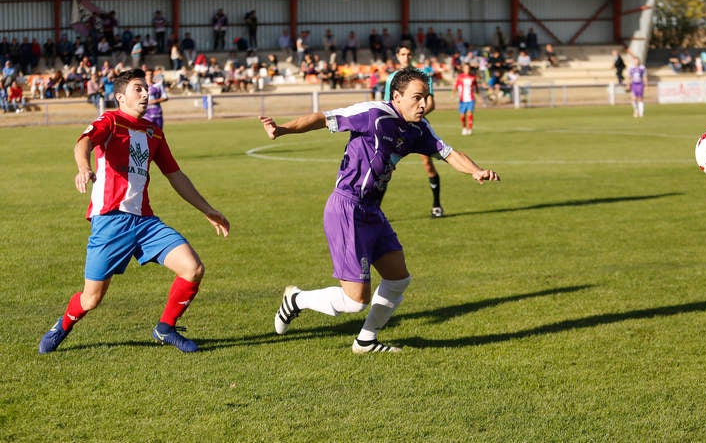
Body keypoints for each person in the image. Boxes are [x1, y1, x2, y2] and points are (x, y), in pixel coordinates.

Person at [260, 67, 499, 353]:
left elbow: (447, 153)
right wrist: (282, 129)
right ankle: (296, 300)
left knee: (398, 278)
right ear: (397, 96)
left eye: (427, 97)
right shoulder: (374, 113)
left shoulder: (418, 129)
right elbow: (323, 119)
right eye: (417, 98)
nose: (424, 104)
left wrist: (476, 171)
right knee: (354, 301)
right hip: (347, 207)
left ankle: (366, 340)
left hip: (372, 210)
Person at [37, 68, 230, 355]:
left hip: (146, 222)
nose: (145, 93)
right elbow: (83, 143)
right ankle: (62, 325)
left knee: (193, 268)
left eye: (146, 88)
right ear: (120, 97)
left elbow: (175, 175)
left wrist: (208, 209)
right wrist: (83, 167)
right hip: (111, 221)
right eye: (138, 88)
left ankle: (165, 328)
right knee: (91, 299)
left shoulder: (154, 131)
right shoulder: (110, 121)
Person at [391, 41, 444, 218]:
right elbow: (388, 105)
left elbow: (431, 103)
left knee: (428, 165)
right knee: (383, 167)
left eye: (409, 54)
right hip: (396, 128)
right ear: (397, 56)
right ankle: (374, 211)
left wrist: (416, 116)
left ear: (412, 55)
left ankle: (437, 205)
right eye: (402, 54)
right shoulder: (392, 79)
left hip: (418, 127)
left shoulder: (423, 75)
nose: (406, 57)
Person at [453, 62, 479, 135]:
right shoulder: (460, 77)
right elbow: (456, 86)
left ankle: (470, 129)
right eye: (466, 68)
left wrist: (478, 93)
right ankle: (464, 128)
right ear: (463, 69)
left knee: (469, 113)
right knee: (462, 115)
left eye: (468, 68)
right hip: (462, 99)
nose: (467, 69)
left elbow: (476, 86)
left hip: (471, 99)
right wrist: (453, 94)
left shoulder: (473, 77)